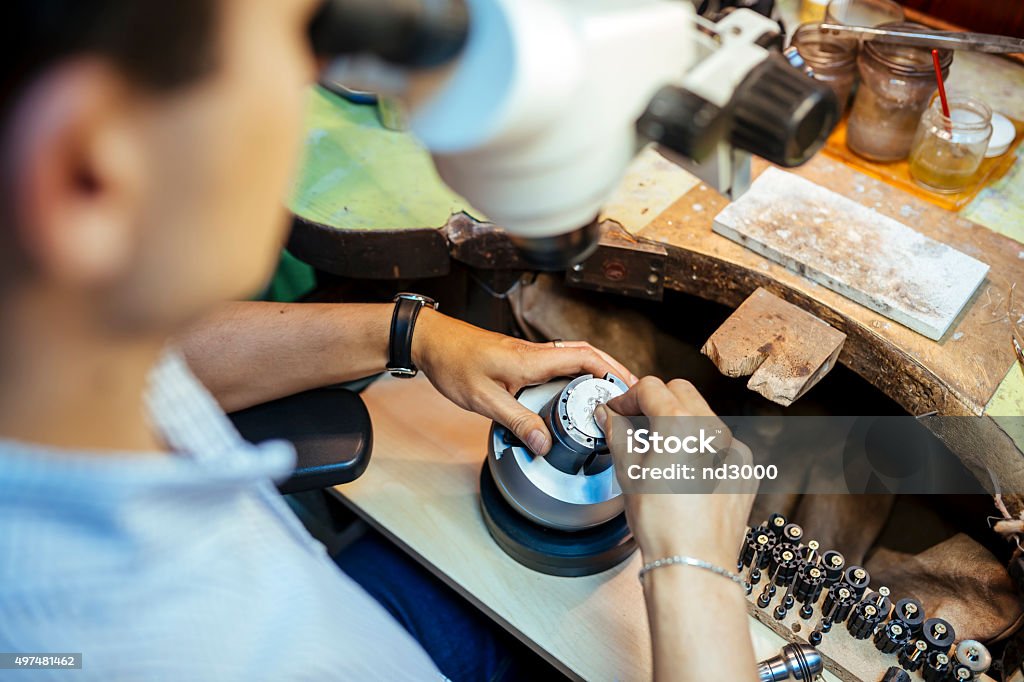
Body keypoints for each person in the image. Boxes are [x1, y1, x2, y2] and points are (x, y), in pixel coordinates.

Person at [0, 0, 757, 680]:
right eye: (291, 44)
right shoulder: (203, 654)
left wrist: (411, 335)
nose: (305, 97)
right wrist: (696, 569)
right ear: (87, 174)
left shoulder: (47, 360)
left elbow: (158, 369)